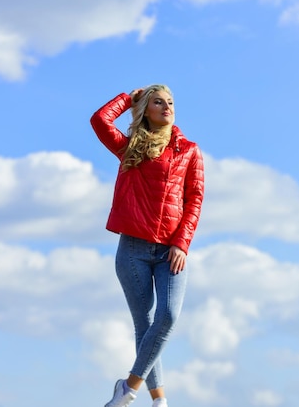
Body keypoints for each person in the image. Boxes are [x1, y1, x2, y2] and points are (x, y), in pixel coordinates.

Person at [90, 84, 204, 407]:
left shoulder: (189, 151)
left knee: (166, 317)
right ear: (146, 110)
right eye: (158, 102)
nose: (167, 106)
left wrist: (182, 243)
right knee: (145, 327)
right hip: (133, 251)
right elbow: (99, 121)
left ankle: (127, 389)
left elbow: (195, 199)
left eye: (171, 101)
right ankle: (160, 401)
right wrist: (127, 99)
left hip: (171, 252)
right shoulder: (130, 148)